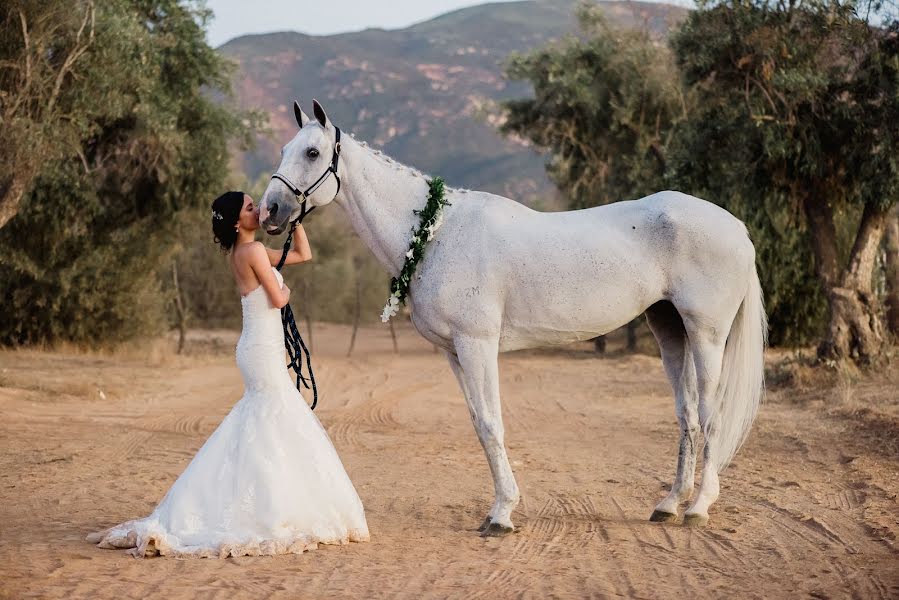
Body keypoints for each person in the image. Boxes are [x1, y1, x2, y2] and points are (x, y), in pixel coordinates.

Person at [86, 191, 369, 558]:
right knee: (275, 418)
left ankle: (260, 502)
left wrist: (292, 221)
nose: (258, 210)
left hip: (257, 348)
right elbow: (279, 299)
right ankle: (269, 507)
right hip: (262, 351)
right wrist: (286, 286)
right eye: (251, 208)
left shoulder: (245, 253)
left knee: (264, 422)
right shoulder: (251, 253)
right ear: (237, 223)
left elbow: (303, 255)